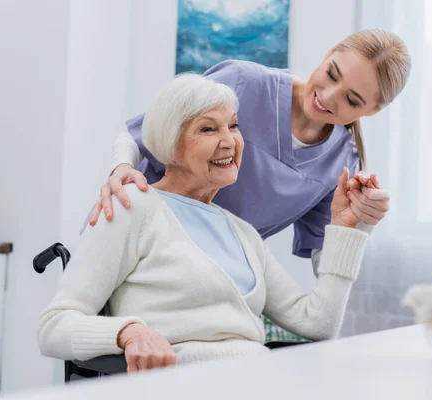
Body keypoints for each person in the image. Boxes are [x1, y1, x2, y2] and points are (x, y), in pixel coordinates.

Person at [38, 74, 375, 373]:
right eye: (208, 128)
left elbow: (317, 322)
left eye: (234, 125)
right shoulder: (132, 206)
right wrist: (128, 332)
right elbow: (54, 326)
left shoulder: (243, 233)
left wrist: (348, 229)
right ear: (171, 143)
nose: (229, 140)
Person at [89, 29, 411, 340]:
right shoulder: (245, 83)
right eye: (332, 73)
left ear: (373, 110)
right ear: (328, 55)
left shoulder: (340, 165)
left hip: (214, 286)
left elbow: (324, 278)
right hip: (146, 255)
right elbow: (140, 134)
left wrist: (359, 223)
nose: (327, 96)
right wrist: (121, 171)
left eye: (352, 100)